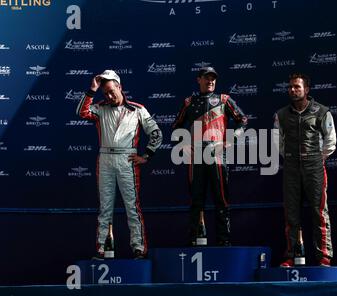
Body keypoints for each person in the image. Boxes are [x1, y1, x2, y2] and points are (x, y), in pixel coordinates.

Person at [76, 69, 162, 259]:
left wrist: (146, 155)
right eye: (104, 92)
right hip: (105, 159)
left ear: (120, 87)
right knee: (105, 207)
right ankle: (102, 249)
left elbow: (156, 133)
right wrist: (92, 90)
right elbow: (81, 112)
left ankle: (139, 248)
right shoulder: (100, 108)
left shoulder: (138, 109)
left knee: (132, 206)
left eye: (111, 91)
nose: (108, 96)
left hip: (127, 160)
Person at [172, 66, 248, 246]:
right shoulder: (189, 102)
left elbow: (243, 121)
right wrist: (184, 144)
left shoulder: (224, 100)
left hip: (217, 154)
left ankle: (224, 240)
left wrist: (230, 140)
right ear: (199, 80)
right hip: (196, 155)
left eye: (213, 78)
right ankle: (195, 240)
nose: (211, 81)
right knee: (196, 200)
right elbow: (176, 126)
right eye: (206, 77)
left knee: (221, 199)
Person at [274, 73, 336, 267]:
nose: (293, 90)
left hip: (315, 167)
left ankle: (324, 256)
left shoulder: (321, 111)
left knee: (319, 212)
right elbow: (278, 143)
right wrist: (292, 158)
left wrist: (317, 158)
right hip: (291, 167)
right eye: (291, 87)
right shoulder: (281, 114)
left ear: (306, 90)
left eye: (297, 87)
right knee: (291, 214)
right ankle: (292, 255)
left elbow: (331, 140)